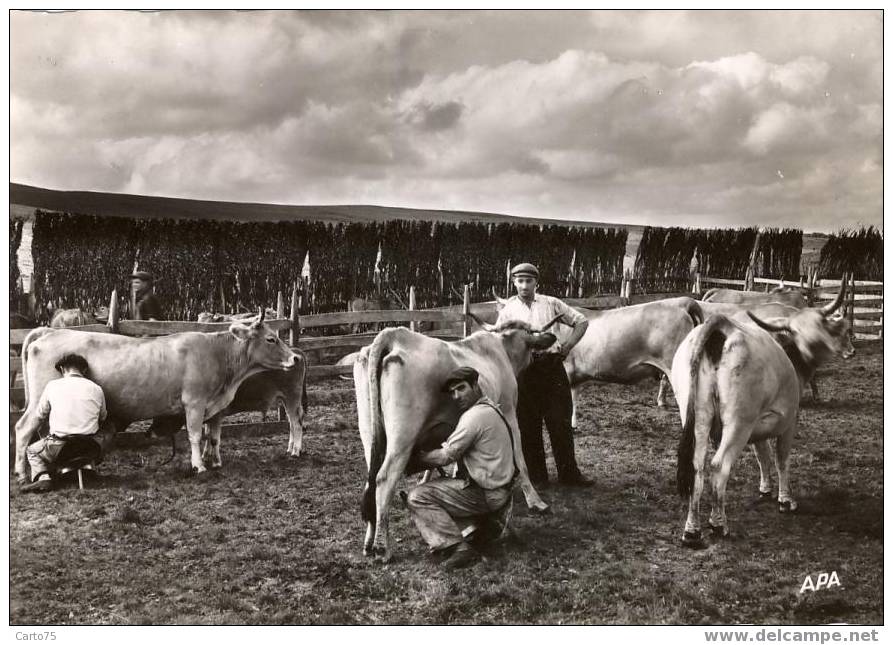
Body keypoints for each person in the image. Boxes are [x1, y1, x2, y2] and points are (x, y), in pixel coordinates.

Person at [408, 367, 517, 570]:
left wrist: (414, 459)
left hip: (488, 495)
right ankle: (478, 527)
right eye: (453, 392)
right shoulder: (491, 408)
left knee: (418, 496)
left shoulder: (474, 417)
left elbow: (445, 456)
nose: (456, 396)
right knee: (447, 483)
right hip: (501, 488)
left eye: (461, 388)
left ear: (476, 386)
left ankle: (459, 548)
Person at [496, 262, 592, 487]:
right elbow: (499, 338)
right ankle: (538, 478)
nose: (524, 286)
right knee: (528, 425)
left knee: (560, 421)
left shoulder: (551, 303)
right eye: (520, 281)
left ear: (536, 283)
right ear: (514, 283)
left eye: (529, 281)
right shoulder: (507, 310)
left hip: (552, 368)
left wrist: (567, 346)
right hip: (525, 372)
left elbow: (581, 321)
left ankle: (570, 475)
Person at [21, 354, 107, 493]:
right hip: (90, 446)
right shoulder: (96, 388)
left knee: (32, 450)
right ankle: (89, 466)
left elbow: (40, 414)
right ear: (84, 370)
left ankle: (43, 478)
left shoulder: (52, 386)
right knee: (108, 430)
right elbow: (103, 417)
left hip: (61, 448)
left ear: (62, 369)